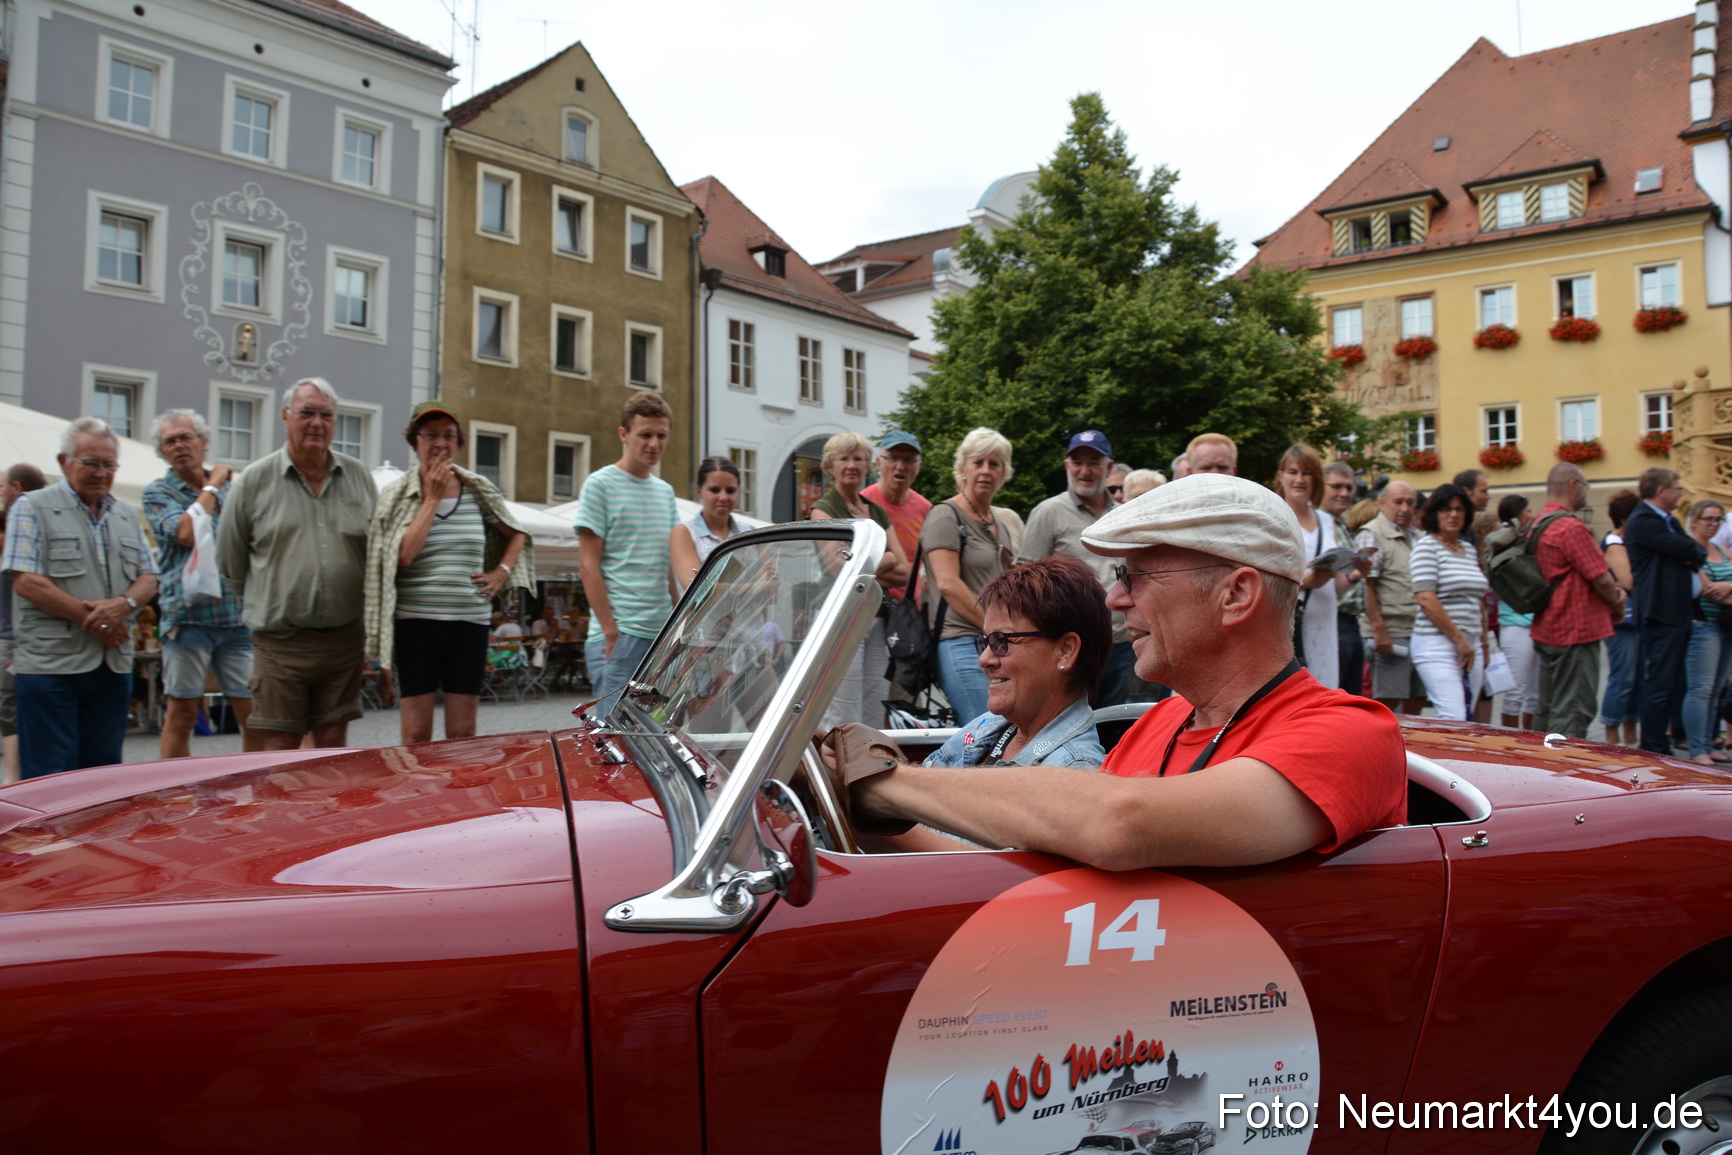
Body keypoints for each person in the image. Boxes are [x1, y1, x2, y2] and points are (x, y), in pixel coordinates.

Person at [836, 474, 1407, 868]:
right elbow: (1045, 871)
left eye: (1136, 576)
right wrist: (849, 803)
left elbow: (1118, 826)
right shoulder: (1157, 724)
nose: (1115, 600)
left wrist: (883, 783)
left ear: (1236, 594)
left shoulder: (1351, 732)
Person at [883, 558, 1111, 852]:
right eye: (985, 642)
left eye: (1003, 642)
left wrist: (865, 814)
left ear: (1065, 651)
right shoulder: (990, 726)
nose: (985, 659)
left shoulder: (1074, 774)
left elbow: (999, 880)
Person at [217, 377, 377, 751]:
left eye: (326, 415)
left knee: (334, 744)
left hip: (344, 639)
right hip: (280, 642)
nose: (317, 423)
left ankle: (331, 812)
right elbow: (229, 560)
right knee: (280, 746)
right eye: (307, 413)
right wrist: (271, 596)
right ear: (285, 417)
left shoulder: (359, 478)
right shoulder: (254, 481)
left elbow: (376, 553)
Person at [364, 401, 531, 745]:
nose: (440, 443)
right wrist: (431, 499)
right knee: (415, 733)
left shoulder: (477, 489)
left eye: (448, 436)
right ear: (415, 442)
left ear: (458, 442)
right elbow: (404, 556)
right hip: (416, 625)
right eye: (430, 435)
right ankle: (419, 797)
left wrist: (501, 572)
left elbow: (517, 533)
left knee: (462, 734)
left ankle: (457, 798)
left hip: (468, 626)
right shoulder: (397, 494)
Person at [4, 417, 158, 776]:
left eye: (109, 464)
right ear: (63, 462)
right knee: (49, 777)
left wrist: (125, 604)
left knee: (103, 777)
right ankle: (47, 837)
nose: (101, 473)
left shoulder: (125, 514)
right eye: (91, 463)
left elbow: (149, 578)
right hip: (50, 670)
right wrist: (102, 621)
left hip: (111, 667)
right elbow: (26, 581)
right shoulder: (31, 507)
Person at [142, 409, 254, 758]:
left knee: (255, 715)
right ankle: (175, 799)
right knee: (182, 714)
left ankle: (265, 790)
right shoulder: (158, 493)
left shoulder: (233, 491)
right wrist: (212, 486)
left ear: (203, 443)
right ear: (162, 452)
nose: (178, 446)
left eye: (185, 438)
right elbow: (185, 532)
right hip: (187, 619)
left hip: (235, 616)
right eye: (169, 442)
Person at [576, 390, 679, 709]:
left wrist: (679, 618)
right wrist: (610, 631)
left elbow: (667, 567)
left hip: (661, 633)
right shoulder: (600, 484)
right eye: (645, 434)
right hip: (622, 633)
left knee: (653, 739)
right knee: (613, 741)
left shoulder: (665, 492)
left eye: (661, 435)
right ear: (624, 434)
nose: (654, 444)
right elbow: (587, 566)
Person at [1018, 430, 1134, 705]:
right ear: (1067, 466)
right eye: (1078, 462)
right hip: (1070, 647)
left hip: (1120, 645)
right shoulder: (1048, 512)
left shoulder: (1124, 515)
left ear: (1108, 467)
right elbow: (1024, 581)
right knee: (1067, 725)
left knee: (1114, 729)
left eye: (1093, 462)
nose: (1085, 470)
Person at [806, 431, 910, 726]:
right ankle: (839, 772)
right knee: (843, 711)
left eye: (858, 459)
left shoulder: (875, 510)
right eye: (844, 459)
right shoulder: (824, 510)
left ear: (867, 465)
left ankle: (867, 770)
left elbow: (903, 569)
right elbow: (840, 570)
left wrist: (865, 562)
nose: (851, 465)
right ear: (830, 466)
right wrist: (885, 557)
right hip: (842, 615)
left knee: (874, 709)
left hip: (877, 617)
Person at [921, 427, 1017, 725]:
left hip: (994, 642)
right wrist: (997, 629)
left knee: (1003, 731)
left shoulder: (1001, 520)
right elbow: (948, 584)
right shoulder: (945, 515)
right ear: (962, 469)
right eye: (978, 463)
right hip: (960, 642)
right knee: (986, 730)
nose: (986, 471)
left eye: (995, 464)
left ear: (1004, 472)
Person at [1529, 463, 1626, 739]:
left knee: (1547, 708)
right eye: (1585, 486)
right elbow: (1603, 579)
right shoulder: (1570, 527)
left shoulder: (1538, 524)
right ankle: (1563, 773)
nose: (1586, 491)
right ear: (1573, 485)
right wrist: (1618, 604)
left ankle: (1540, 765)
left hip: (1548, 626)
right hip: (1576, 629)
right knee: (1573, 708)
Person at [1625, 467, 1705, 755]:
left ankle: (1664, 740)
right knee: (1660, 683)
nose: (1681, 492)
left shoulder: (1667, 520)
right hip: (1661, 612)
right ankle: (1653, 745)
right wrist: (1686, 554)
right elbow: (1689, 550)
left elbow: (1696, 552)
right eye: (1677, 488)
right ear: (1661, 491)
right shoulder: (1645, 520)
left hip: (1676, 611)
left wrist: (1687, 554)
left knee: (1673, 682)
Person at [1409, 484, 1488, 722]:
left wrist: (1484, 643)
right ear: (1434, 513)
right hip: (1436, 644)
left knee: (1466, 716)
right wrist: (1460, 640)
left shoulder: (1467, 548)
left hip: (1470, 645)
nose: (1453, 515)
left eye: (1459, 509)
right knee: (1453, 718)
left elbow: (1477, 601)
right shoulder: (1426, 546)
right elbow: (1425, 598)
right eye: (1446, 509)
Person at [1275, 444, 1346, 691]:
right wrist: (1307, 580)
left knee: (1324, 689)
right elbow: (1266, 575)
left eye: (1306, 473)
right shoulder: (1274, 516)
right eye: (1293, 472)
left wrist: (1356, 573)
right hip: (1290, 619)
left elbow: (1336, 587)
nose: (1299, 479)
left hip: (1325, 617)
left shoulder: (1326, 519)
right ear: (1281, 475)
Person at [1356, 481, 1426, 714]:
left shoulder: (1419, 535)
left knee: (1419, 697)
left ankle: (1410, 748)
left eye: (1410, 503)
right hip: (1391, 632)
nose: (1405, 508)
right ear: (1382, 503)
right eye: (1398, 502)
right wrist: (1379, 630)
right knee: (1389, 699)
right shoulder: (1372, 533)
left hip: (1420, 631)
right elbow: (1366, 586)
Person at [0, 463, 46, 782]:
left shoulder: (16, 528)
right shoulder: (49, 523)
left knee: (11, 715)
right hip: (32, 637)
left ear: (16, 488)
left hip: (12, 637)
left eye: (2, 486)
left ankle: (13, 785)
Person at [1680, 499, 1732, 763]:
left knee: (1716, 689)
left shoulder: (1721, 550)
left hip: (1725, 626)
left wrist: (1727, 589)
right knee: (1700, 688)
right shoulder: (1691, 550)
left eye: (1718, 519)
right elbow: (1708, 590)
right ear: (1695, 520)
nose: (1713, 524)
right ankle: (1698, 749)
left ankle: (1708, 742)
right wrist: (1728, 589)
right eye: (1708, 519)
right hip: (1702, 626)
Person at [1489, 495, 1539, 730]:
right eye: (1528, 511)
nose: (1532, 515)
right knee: (1515, 692)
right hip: (1515, 624)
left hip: (1535, 622)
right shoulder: (1503, 539)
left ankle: (1531, 742)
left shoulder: (1529, 537)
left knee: (1534, 693)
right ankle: (1510, 744)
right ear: (1517, 515)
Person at [1320, 461, 1368, 696]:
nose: (1344, 493)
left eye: (1349, 488)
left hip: (1350, 619)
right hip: (1329, 618)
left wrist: (1358, 573)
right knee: (1334, 695)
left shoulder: (1341, 524)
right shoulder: (1319, 522)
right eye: (1336, 486)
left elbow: (1341, 579)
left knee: (1350, 696)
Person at [671, 456, 749, 593]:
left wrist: (718, 586)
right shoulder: (684, 533)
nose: (723, 497)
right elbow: (696, 590)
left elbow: (773, 588)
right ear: (699, 491)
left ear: (739, 492)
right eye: (714, 490)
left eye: (730, 490)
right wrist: (755, 587)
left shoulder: (750, 532)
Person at [1599, 491, 1641, 745]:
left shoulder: (1628, 543)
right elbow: (1628, 581)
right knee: (1622, 677)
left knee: (1636, 679)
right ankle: (1611, 732)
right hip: (1621, 620)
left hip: (1635, 618)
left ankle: (1630, 731)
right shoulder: (1614, 543)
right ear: (1626, 519)